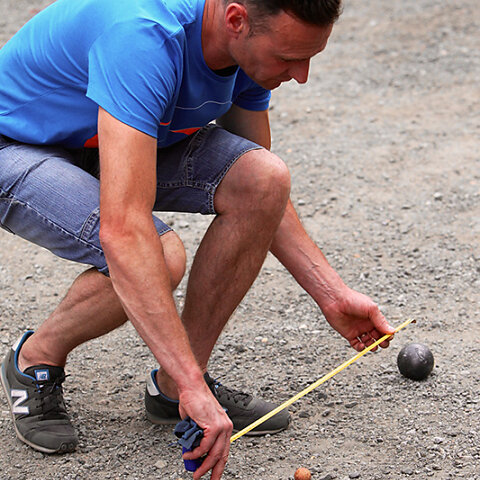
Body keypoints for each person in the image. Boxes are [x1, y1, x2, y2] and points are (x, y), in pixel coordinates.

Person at [0, 0, 395, 478]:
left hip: (106, 139)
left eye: (309, 57)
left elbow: (262, 197)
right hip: (19, 144)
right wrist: (196, 384)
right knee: (158, 255)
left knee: (262, 178)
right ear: (236, 20)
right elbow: (124, 231)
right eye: (289, 58)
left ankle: (173, 391)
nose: (301, 75)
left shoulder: (248, 50)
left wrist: (331, 294)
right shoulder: (143, 37)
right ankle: (34, 359)